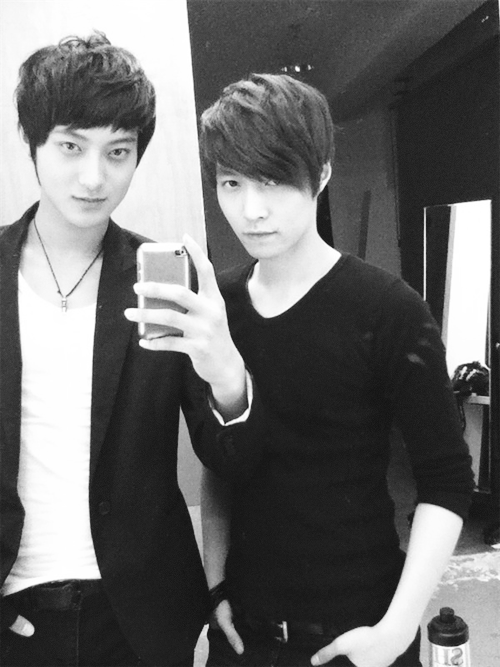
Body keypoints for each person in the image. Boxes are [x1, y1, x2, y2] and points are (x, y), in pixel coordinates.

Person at [195, 73, 475, 667]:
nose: (251, 209)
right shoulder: (217, 308)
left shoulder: (388, 308)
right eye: (232, 182)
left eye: (274, 181)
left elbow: (447, 479)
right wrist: (216, 586)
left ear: (321, 174)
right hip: (244, 635)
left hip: (360, 629)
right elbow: (219, 467)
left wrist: (397, 630)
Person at [0, 32, 250, 667]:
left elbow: (228, 459)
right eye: (71, 146)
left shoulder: (165, 281)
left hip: (141, 618)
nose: (94, 177)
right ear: (33, 143)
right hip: (13, 611)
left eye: (118, 151)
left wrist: (228, 376)